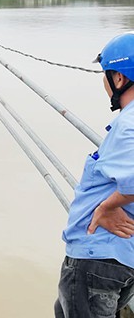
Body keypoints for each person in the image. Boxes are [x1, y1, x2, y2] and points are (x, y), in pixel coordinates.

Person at [55, 32, 134, 318]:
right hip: (120, 258)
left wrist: (107, 206)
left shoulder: (128, 126)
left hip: (97, 258)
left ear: (119, 79)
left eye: (105, 74)